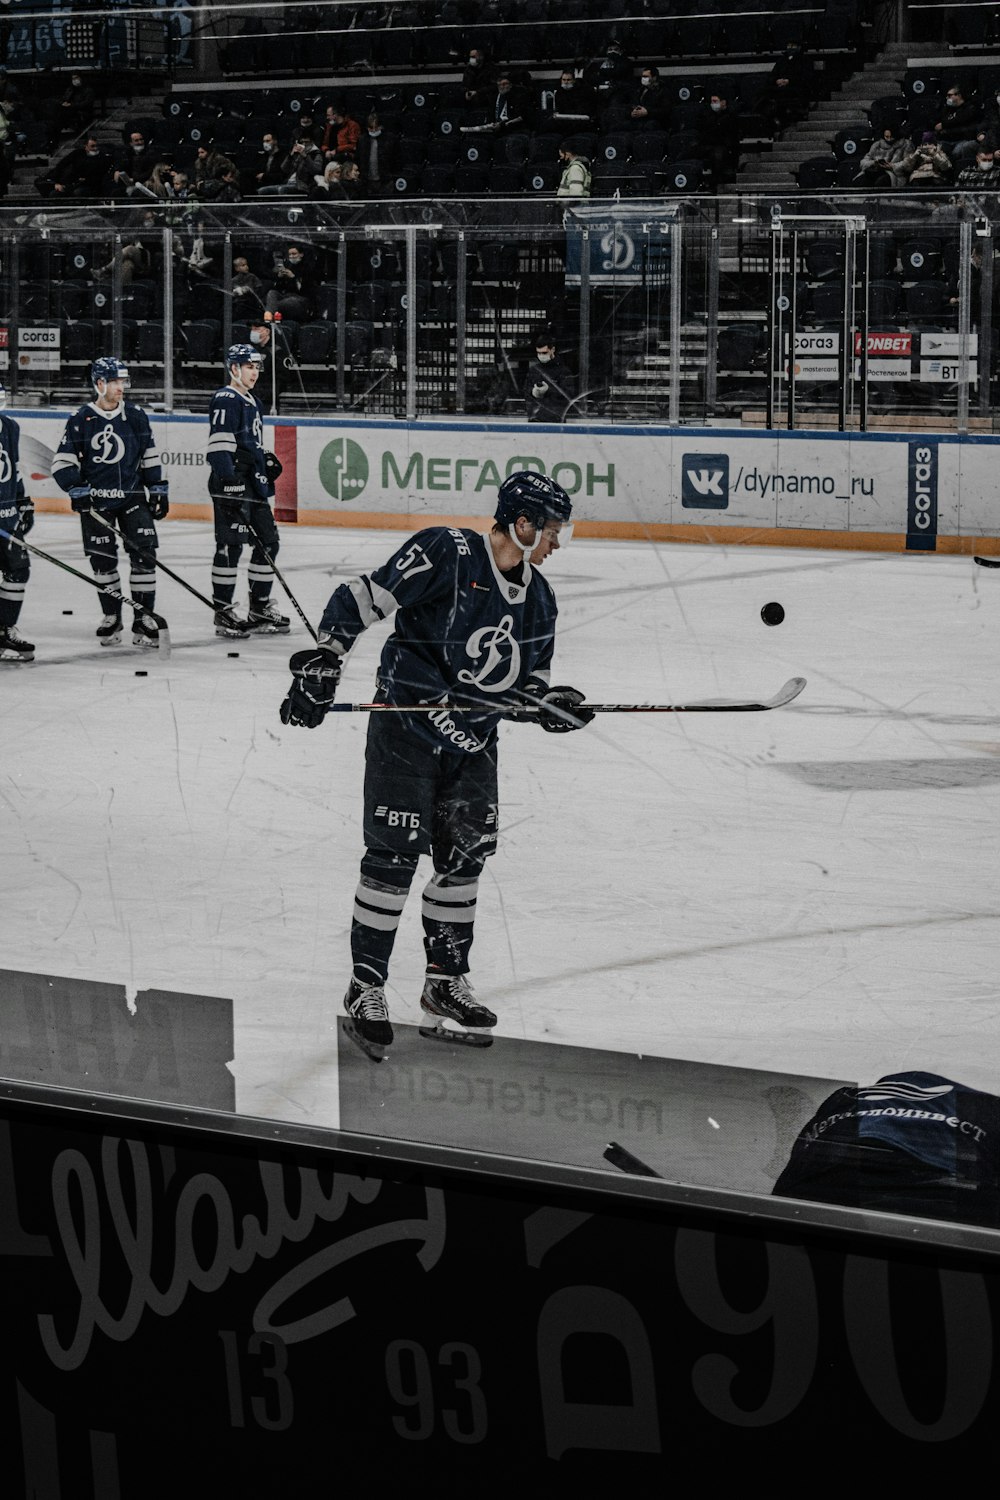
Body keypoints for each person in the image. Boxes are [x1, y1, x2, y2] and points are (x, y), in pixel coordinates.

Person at [278, 470, 594, 1058]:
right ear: (521, 525)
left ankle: (444, 981)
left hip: (473, 744)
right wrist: (325, 657)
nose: (557, 544)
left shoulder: (540, 600)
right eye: (552, 531)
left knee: (465, 860)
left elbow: (529, 684)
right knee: (393, 860)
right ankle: (366, 985)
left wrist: (551, 705)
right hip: (405, 733)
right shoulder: (445, 552)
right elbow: (361, 598)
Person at [772, 1071, 1000, 1228]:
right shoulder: (984, 1110)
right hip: (945, 1197)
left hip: (834, 1192)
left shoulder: (844, 1103)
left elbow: (783, 1198)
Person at [50, 358, 169, 649]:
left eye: (123, 382)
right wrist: (76, 489)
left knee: (145, 556)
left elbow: (149, 455)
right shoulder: (80, 419)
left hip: (132, 498)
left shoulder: (137, 416)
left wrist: (157, 488)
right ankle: (111, 616)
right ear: (99, 384)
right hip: (97, 504)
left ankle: (143, 618)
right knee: (103, 562)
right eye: (115, 382)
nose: (121, 388)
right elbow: (62, 462)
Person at [206, 344, 288, 638]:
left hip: (253, 483)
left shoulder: (253, 400)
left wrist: (263, 460)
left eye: (256, 367)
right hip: (232, 482)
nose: (254, 372)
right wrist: (228, 480)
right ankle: (224, 612)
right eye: (249, 366)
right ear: (234, 369)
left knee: (269, 541)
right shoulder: (226, 398)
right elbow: (219, 446)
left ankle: (259, 606)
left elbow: (248, 442)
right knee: (231, 546)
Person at [0, 380, 34, 662]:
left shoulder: (10, 427)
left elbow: (14, 467)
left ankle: (4, 629)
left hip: (7, 518)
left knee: (18, 570)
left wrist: (23, 500)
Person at [524, 334, 576, 421]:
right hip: (535, 419)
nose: (541, 355)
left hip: (555, 421)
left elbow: (568, 395)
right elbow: (526, 391)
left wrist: (549, 390)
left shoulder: (563, 371)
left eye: (544, 352)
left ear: (553, 350)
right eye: (538, 353)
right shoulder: (534, 370)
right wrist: (533, 392)